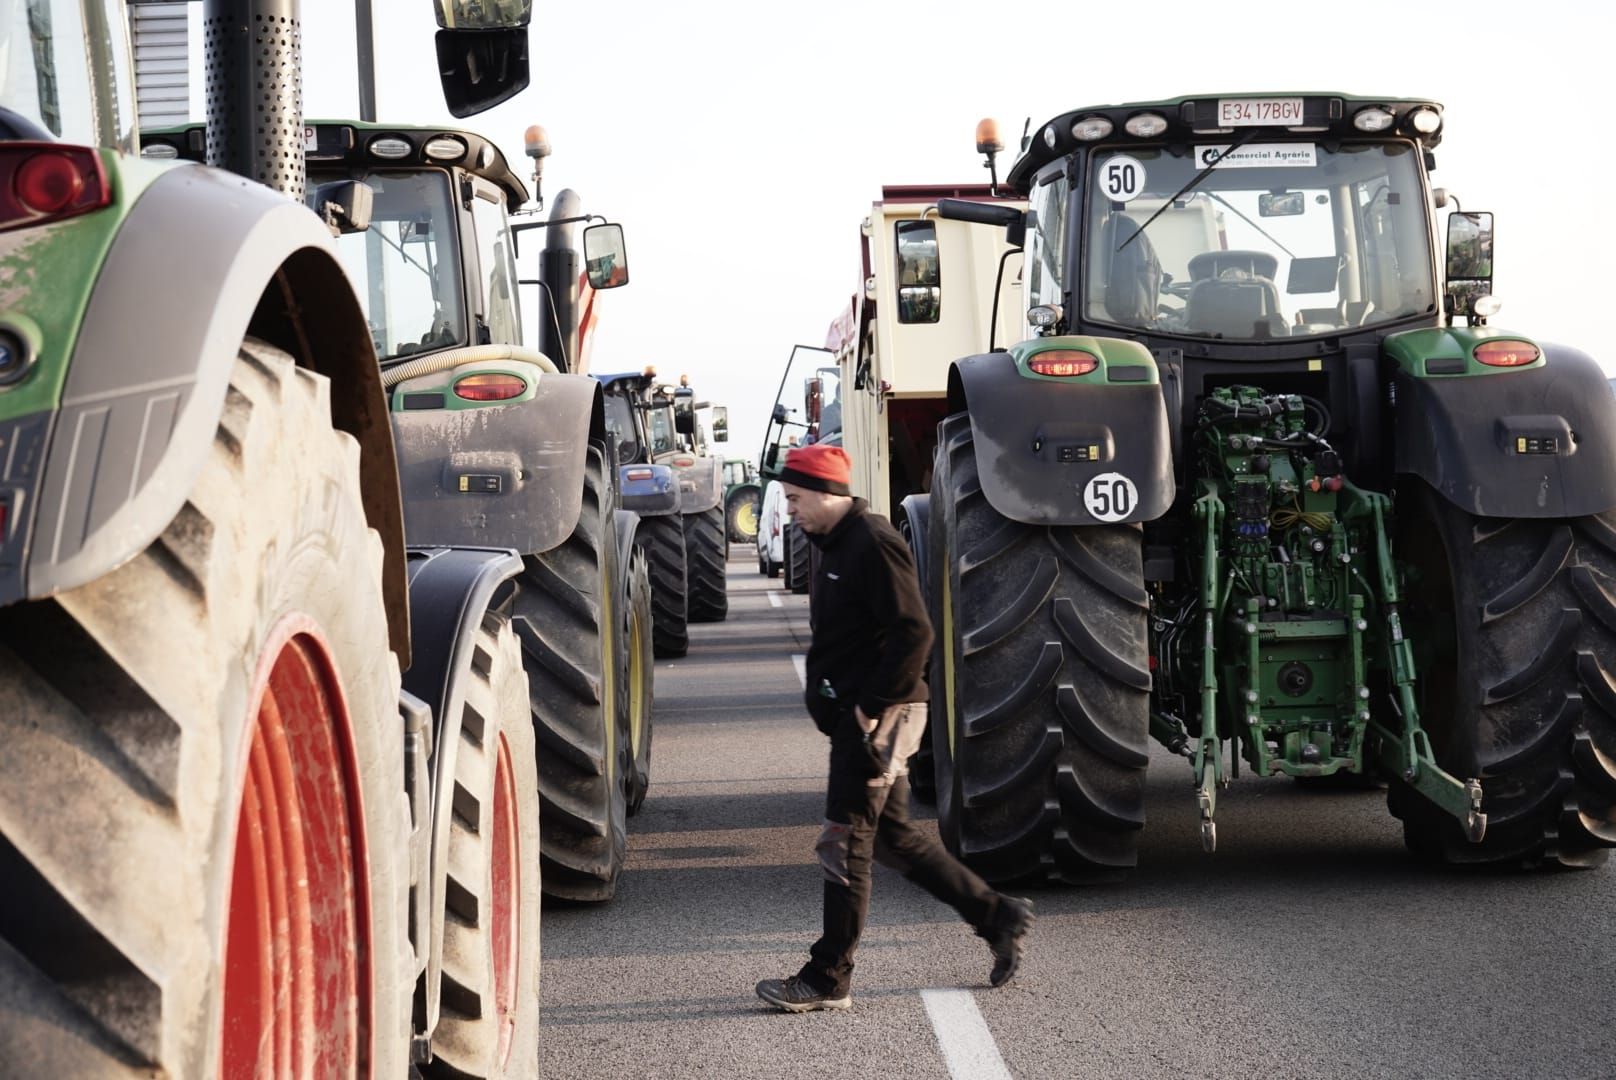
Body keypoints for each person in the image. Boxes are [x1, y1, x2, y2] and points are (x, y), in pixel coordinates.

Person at [755, 444, 1034, 1014]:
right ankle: (997, 915)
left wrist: (868, 710)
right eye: (787, 499)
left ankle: (828, 977)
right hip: (864, 716)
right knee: (891, 837)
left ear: (828, 493)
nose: (791, 511)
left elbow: (916, 634)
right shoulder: (831, 543)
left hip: (883, 717)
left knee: (844, 840)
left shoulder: (873, 542)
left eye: (796, 498)